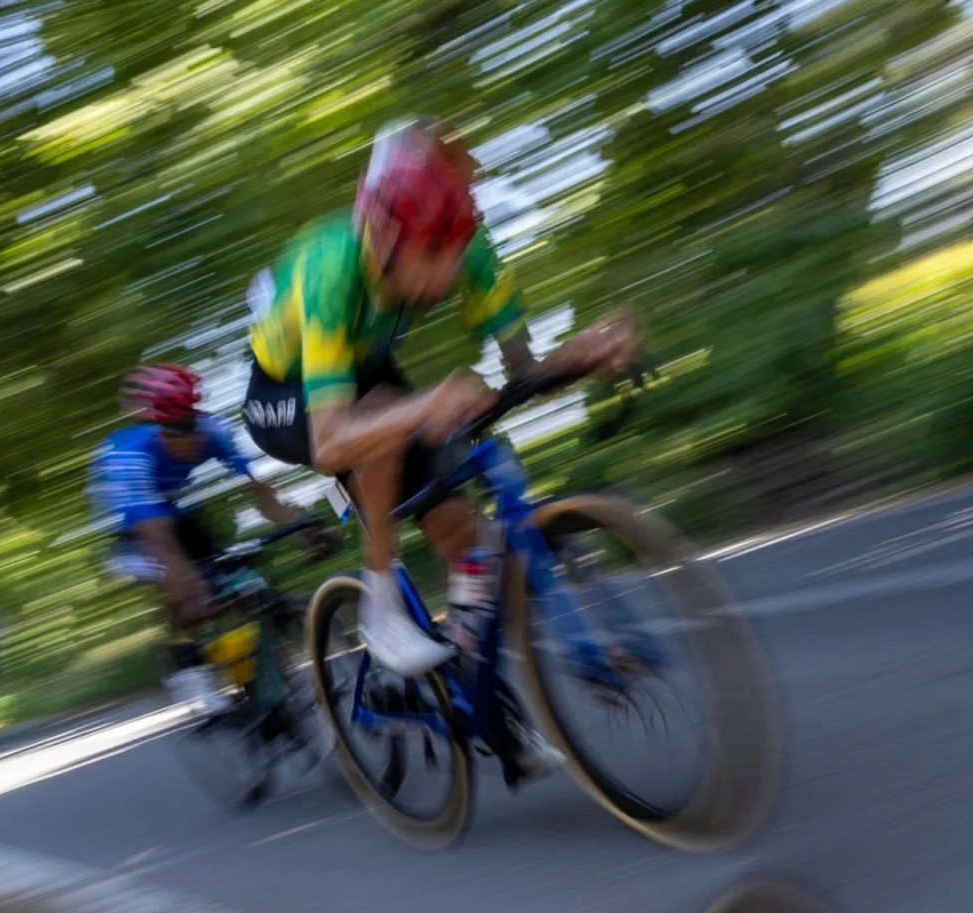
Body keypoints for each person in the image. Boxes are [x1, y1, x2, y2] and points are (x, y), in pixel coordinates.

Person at [241, 117, 640, 775]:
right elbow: (334, 436)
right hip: (283, 388)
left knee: (464, 532)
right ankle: (379, 605)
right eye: (429, 261)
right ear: (382, 236)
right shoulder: (330, 263)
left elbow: (524, 372)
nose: (442, 277)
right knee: (384, 420)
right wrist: (424, 406)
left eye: (452, 255)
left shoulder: (465, 245)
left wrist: (581, 357)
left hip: (364, 372)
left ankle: (481, 701)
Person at [90, 363, 322, 712]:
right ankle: (188, 667)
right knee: (186, 590)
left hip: (175, 510)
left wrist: (302, 526)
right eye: (178, 430)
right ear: (156, 430)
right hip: (130, 527)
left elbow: (261, 491)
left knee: (237, 580)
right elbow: (156, 536)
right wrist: (186, 582)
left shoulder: (212, 432)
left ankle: (264, 673)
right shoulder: (130, 457)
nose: (191, 437)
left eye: (192, 423)